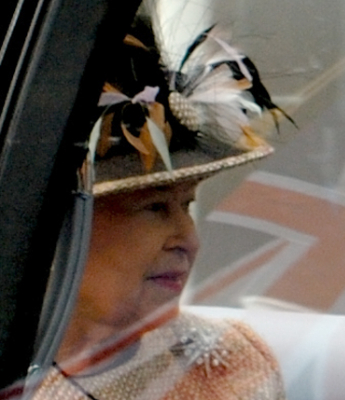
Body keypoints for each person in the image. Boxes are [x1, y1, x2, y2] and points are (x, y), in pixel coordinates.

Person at [31, 3, 289, 399]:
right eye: (154, 207)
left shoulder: (230, 366)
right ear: (64, 226)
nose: (188, 239)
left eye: (187, 205)